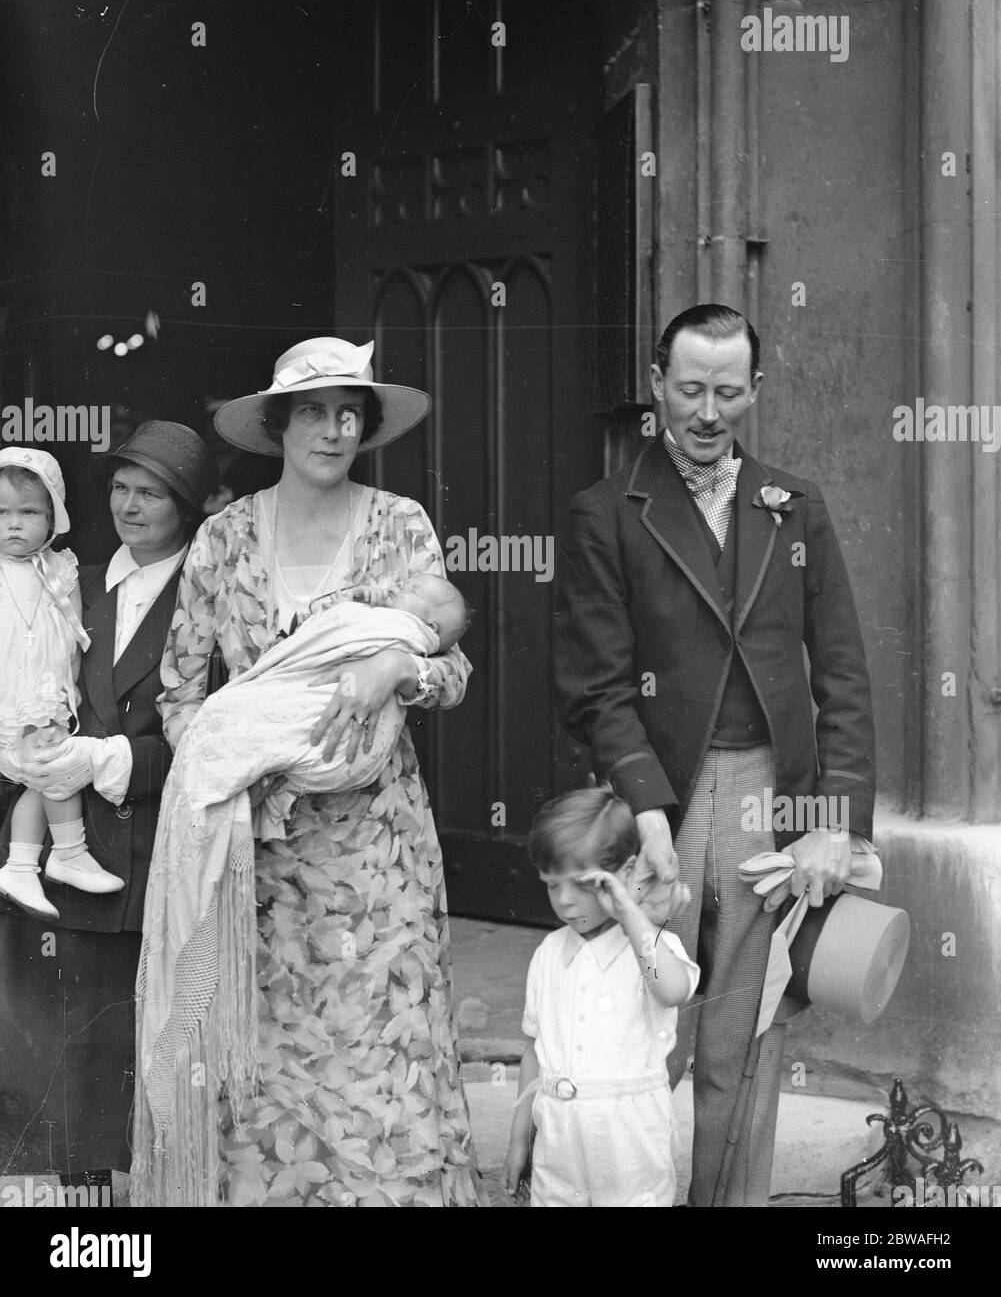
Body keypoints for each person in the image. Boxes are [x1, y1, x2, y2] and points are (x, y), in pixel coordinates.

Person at [131, 336, 486, 1208]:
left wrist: (392, 671)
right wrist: (237, 758)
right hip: (254, 856)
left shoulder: (400, 525)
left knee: (377, 1045)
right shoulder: (222, 540)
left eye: (350, 414)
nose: (334, 430)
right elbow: (181, 691)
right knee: (259, 1054)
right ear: (279, 424)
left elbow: (451, 670)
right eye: (316, 412)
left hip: (375, 856)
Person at [555, 304, 876, 1207]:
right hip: (652, 796)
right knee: (635, 1024)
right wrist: (646, 807)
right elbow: (594, 687)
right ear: (656, 384)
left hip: (771, 797)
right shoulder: (603, 513)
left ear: (754, 391)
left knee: (744, 1031)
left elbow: (842, 674)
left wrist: (834, 825)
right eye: (688, 389)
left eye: (726, 392)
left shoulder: (795, 504)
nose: (705, 412)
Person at [0, 422, 219, 1201]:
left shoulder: (209, 595)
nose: (130, 505)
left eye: (151, 492)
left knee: (151, 1033)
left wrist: (122, 757)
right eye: (121, 488)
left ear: (186, 506)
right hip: (68, 836)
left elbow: (216, 726)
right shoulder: (69, 578)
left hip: (155, 841)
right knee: (65, 1033)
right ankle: (84, 1207)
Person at [503, 787, 699, 1207]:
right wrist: (520, 1139)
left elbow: (674, 989)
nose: (566, 900)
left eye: (581, 885)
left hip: (628, 1139)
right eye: (552, 885)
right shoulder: (549, 953)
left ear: (625, 874)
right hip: (558, 1138)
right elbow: (534, 1050)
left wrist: (629, 910)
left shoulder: (650, 946)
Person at [0, 449, 124, 922]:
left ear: (52, 516)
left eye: (28, 512)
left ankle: (22, 864)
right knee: (48, 770)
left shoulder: (60, 568)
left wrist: (67, 689)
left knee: (48, 771)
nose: (14, 525)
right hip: (8, 693)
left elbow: (73, 634)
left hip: (48, 690)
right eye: (2, 513)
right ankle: (66, 851)